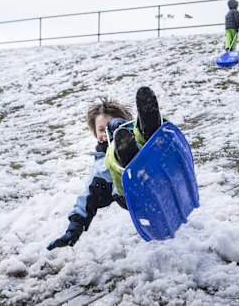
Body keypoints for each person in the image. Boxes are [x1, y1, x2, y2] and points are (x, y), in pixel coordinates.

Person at [47, 86, 163, 250]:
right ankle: (125, 154)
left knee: (143, 138)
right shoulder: (100, 167)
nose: (105, 133)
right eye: (101, 130)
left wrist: (123, 127)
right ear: (95, 134)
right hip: (133, 194)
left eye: (110, 127)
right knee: (115, 161)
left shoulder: (136, 135)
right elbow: (87, 196)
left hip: (156, 173)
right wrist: (73, 229)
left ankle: (150, 123)